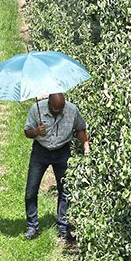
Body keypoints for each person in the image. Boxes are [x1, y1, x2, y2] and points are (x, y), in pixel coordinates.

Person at [23, 92, 89, 241]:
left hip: (62, 151)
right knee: (31, 190)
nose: (59, 111)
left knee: (65, 190)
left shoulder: (72, 110)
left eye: (61, 108)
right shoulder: (36, 109)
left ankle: (63, 226)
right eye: (55, 109)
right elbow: (27, 131)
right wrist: (36, 131)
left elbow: (80, 129)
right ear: (49, 104)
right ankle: (32, 226)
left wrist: (86, 146)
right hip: (41, 151)